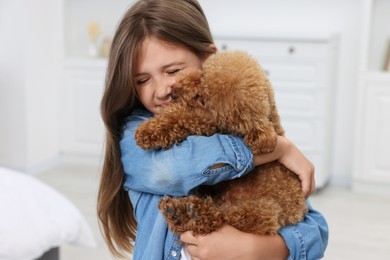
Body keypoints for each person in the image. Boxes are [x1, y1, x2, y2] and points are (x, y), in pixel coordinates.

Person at [97, 0, 328, 259]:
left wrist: (260, 249)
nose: (161, 90)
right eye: (142, 80)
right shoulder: (135, 136)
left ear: (208, 57)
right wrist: (277, 148)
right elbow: (177, 168)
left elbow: (315, 229)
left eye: (172, 71)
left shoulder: (236, 118)